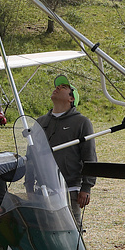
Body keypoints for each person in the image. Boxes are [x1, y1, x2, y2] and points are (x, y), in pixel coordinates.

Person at [35, 76, 95, 228]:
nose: (57, 88)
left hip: (70, 189)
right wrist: (29, 184)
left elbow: (89, 156)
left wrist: (86, 187)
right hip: (42, 190)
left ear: (71, 98)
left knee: (71, 231)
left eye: (63, 87)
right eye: (57, 86)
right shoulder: (40, 122)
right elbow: (32, 155)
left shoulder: (82, 122)